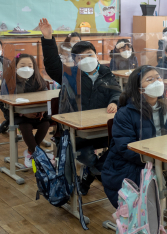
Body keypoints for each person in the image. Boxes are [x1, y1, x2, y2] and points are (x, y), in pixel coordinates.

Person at [38, 18, 121, 195]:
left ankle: (90, 173)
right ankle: (92, 172)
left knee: (120, 147)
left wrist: (114, 101)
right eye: (80, 57)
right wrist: (47, 38)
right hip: (78, 132)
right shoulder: (70, 76)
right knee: (85, 155)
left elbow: (117, 92)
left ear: (97, 56)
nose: (86, 59)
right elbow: (52, 66)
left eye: (89, 55)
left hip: (102, 128)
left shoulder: (106, 73)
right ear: (75, 61)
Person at [101, 65, 167, 208]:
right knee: (156, 180)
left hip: (161, 159)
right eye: (149, 80)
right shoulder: (126, 113)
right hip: (131, 164)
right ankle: (149, 210)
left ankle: (149, 204)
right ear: (139, 89)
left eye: (158, 78)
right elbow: (125, 148)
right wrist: (155, 161)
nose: (157, 82)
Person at [0, 54, 51, 167]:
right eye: (22, 65)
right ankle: (37, 155)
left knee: (46, 123)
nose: (27, 68)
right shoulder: (9, 82)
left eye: (30, 65)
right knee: (25, 126)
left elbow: (46, 96)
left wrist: (42, 111)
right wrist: (24, 113)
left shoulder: (38, 78)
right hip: (18, 115)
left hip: (38, 113)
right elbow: (4, 104)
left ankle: (30, 152)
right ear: (15, 67)